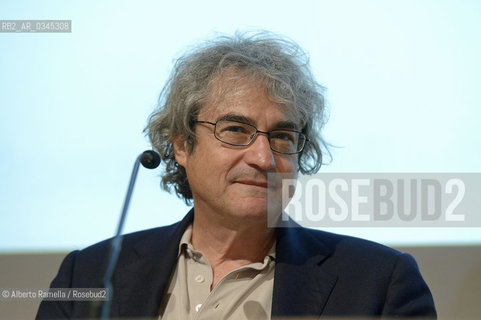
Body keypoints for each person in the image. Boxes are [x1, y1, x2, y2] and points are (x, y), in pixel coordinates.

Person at [36, 31, 436, 319]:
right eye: (234, 130)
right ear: (181, 144)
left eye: (282, 135)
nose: (263, 157)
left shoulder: (377, 283)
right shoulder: (89, 273)